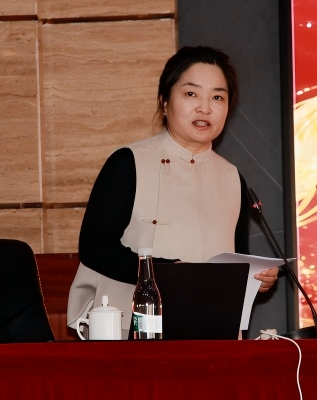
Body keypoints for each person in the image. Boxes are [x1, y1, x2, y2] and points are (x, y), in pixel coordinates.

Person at [67, 46, 279, 338]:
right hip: (133, 330)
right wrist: (173, 273)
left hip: (212, 332)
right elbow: (96, 248)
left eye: (217, 97)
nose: (205, 108)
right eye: (191, 94)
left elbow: (236, 262)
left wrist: (256, 277)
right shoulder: (129, 162)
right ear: (165, 102)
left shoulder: (233, 178)